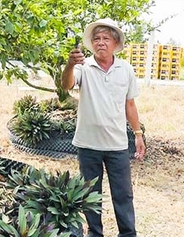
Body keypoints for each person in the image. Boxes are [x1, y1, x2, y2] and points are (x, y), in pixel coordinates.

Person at [62, 18, 146, 237]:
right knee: (91, 194)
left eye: (105, 38)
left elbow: (130, 104)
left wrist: (138, 134)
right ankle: (95, 233)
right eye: (96, 38)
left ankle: (127, 234)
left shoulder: (125, 69)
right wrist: (70, 64)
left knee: (123, 194)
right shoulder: (83, 67)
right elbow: (67, 85)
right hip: (88, 143)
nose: (100, 42)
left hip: (117, 144)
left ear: (115, 42)